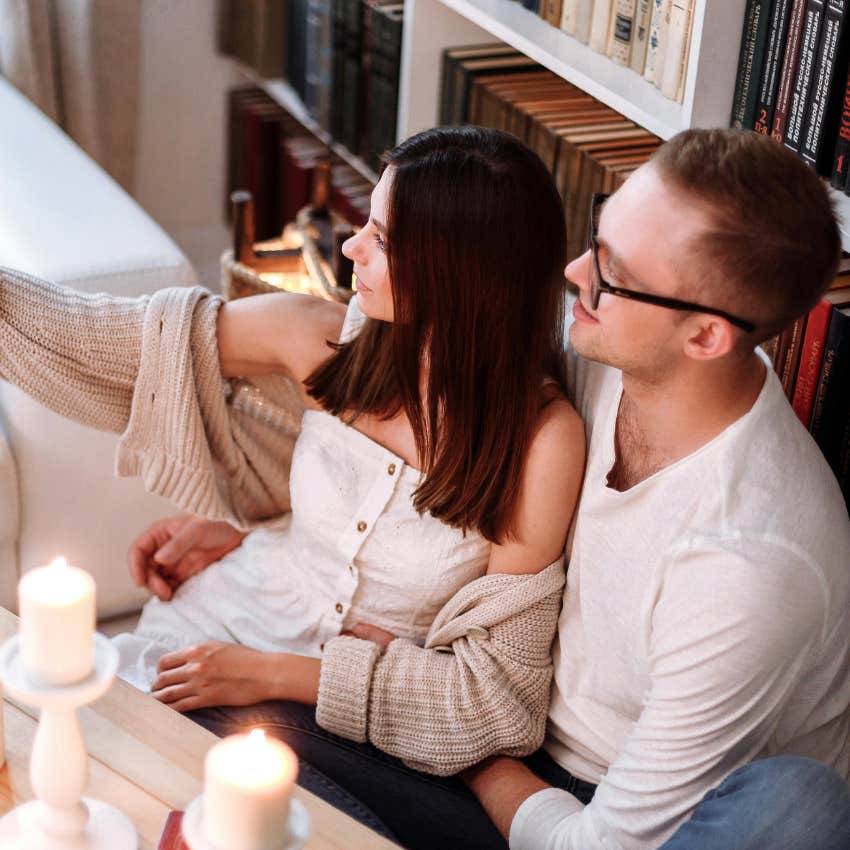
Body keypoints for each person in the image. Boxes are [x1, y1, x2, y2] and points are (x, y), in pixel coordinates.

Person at [138, 128, 850, 850]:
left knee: (802, 802)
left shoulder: (748, 565)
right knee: (205, 725)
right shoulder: (613, 345)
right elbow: (429, 448)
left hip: (592, 799)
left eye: (612, 270)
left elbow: (597, 844)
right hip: (494, 728)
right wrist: (283, 530)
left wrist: (476, 752)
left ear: (705, 337)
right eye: (594, 240)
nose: (573, 274)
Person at [0, 126, 586, 778]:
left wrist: (271, 675)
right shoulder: (325, 342)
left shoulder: (540, 442)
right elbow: (101, 339)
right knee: (49, 756)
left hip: (324, 716)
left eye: (384, 239)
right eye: (368, 222)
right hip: (208, 627)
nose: (352, 246)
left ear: (462, 274)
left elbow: (500, 701)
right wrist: (256, 524)